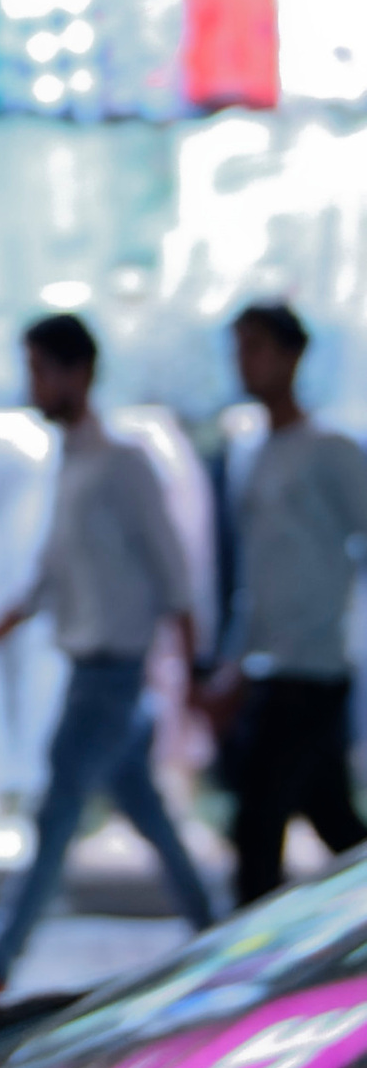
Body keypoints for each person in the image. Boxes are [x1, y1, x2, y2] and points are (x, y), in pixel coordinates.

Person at [0, 313, 214, 993]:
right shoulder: (72, 460)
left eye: (40, 368)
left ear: (77, 372)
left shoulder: (124, 463)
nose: (32, 383)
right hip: (95, 674)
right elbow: (42, 579)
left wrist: (196, 681)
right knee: (146, 812)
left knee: (56, 811)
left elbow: (174, 575)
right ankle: (214, 929)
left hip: (110, 678)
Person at [204, 301, 367, 904]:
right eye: (239, 350)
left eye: (256, 348)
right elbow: (257, 575)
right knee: (330, 819)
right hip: (271, 666)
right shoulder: (249, 452)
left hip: (316, 666)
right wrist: (234, 662)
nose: (244, 364)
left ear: (292, 356)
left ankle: (245, 969)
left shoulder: (332, 449)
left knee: (259, 823)